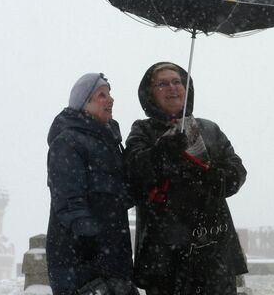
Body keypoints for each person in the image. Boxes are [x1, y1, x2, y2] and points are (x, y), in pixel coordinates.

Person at [125, 62, 247, 295]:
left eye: (177, 82)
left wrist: (218, 178)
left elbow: (237, 169)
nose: (172, 88)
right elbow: (134, 169)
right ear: (150, 94)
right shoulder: (143, 130)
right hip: (165, 253)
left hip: (213, 248)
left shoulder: (209, 129)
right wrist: (162, 152)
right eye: (162, 84)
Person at [46, 73, 137, 295]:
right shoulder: (68, 141)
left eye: (110, 94)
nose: (111, 100)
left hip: (114, 258)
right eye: (102, 95)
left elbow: (121, 196)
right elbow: (68, 200)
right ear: (84, 104)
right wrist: (93, 240)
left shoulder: (110, 143)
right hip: (80, 262)